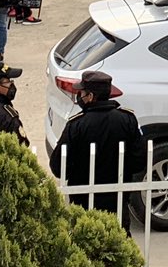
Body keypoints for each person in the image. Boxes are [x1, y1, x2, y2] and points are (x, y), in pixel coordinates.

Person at [48, 70, 147, 216]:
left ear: (91, 97)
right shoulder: (127, 120)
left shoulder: (77, 125)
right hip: (117, 200)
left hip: (84, 203)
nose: (79, 97)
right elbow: (139, 161)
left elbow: (58, 167)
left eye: (81, 93)